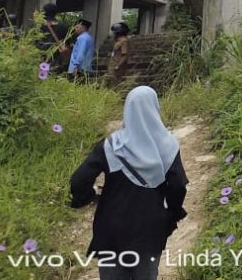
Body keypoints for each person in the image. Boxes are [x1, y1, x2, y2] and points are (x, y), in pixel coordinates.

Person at [70, 86, 188, 280]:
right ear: (154, 108)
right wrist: (171, 213)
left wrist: (89, 197)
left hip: (111, 229)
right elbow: (178, 186)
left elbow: (78, 181)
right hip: (150, 230)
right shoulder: (168, 146)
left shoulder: (110, 146)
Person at [37, 3, 70, 69]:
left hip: (40, 58)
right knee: (53, 76)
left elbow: (34, 42)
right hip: (57, 59)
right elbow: (67, 43)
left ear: (44, 12)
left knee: (41, 76)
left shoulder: (39, 26)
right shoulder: (63, 26)